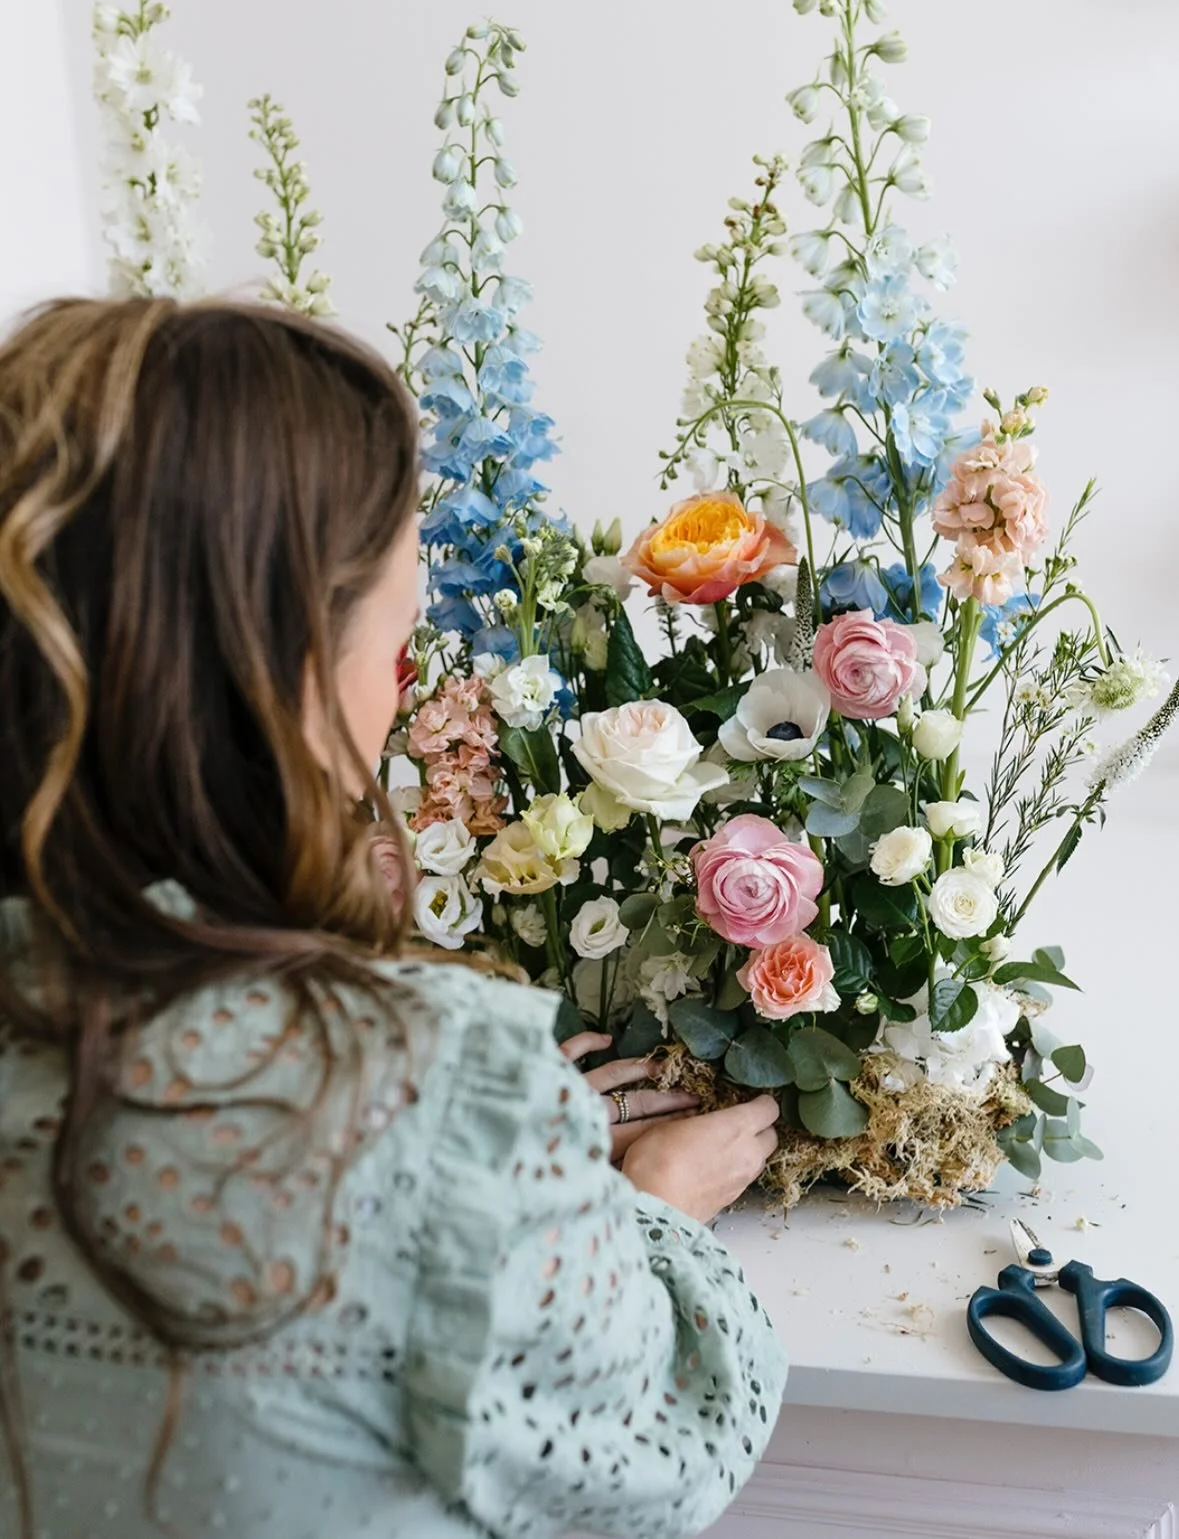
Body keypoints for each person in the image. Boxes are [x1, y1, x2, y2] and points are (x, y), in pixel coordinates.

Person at [0, 298, 786, 1539]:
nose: (398, 697)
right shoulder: (434, 1084)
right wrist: (637, 1201)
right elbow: (664, 1452)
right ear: (293, 671)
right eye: (403, 643)